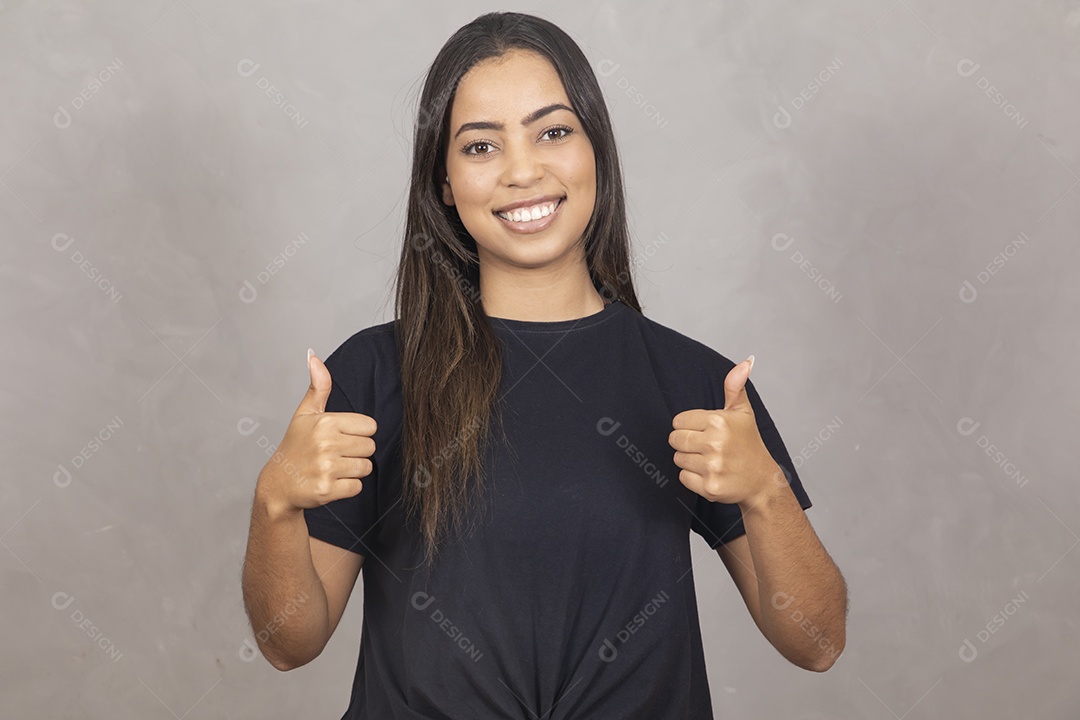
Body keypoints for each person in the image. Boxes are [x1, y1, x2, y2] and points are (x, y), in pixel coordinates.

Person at [241, 10, 848, 719]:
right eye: (480, 147)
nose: (523, 171)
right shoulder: (372, 376)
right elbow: (290, 643)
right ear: (443, 183)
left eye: (553, 132)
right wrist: (274, 501)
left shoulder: (697, 388)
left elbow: (818, 642)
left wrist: (765, 492)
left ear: (596, 152)